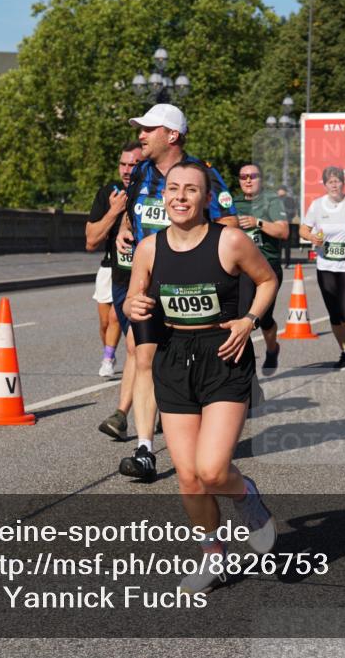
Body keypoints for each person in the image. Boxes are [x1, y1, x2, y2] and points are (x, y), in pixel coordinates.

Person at [125, 160, 279, 593]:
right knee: (189, 476)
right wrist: (132, 307)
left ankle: (247, 499)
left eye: (190, 190)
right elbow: (135, 299)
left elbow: (266, 280)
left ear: (206, 199)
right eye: (172, 189)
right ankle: (213, 557)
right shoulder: (149, 249)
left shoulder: (229, 241)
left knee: (212, 471)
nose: (179, 197)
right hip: (174, 357)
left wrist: (249, 319)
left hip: (224, 353)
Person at [113, 103, 237, 482]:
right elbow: (131, 212)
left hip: (193, 285)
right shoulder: (142, 174)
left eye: (148, 129)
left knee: (189, 362)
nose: (141, 135)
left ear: (172, 135)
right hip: (149, 283)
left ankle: (208, 420)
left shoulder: (205, 176)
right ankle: (146, 449)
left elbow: (229, 223)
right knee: (142, 355)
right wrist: (122, 229)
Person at [300, 166, 345, 370]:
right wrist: (311, 237)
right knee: (334, 313)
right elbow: (303, 229)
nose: (334, 184)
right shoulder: (317, 206)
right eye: (330, 181)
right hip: (326, 265)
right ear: (324, 185)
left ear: (343, 183)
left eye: (337, 180)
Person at [86, 141, 142, 380]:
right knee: (104, 322)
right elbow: (91, 242)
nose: (127, 170)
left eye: (134, 164)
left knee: (116, 318)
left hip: (139, 270)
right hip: (111, 266)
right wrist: (114, 211)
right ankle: (110, 352)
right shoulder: (109, 192)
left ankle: (111, 359)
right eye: (123, 164)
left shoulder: (152, 192)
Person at [234, 162, 289, 376]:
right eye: (243, 176)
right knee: (243, 316)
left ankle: (272, 348)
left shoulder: (271, 200)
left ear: (261, 179)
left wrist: (257, 222)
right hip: (242, 270)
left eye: (253, 176)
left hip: (267, 268)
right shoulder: (233, 202)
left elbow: (283, 231)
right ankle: (244, 372)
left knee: (264, 319)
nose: (248, 180)